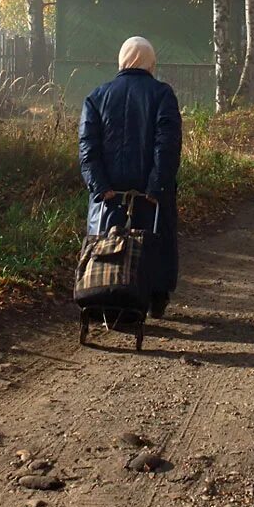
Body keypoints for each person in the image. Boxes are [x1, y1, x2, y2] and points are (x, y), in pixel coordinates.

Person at [78, 36, 182, 319]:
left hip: (109, 195)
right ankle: (156, 298)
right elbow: (167, 145)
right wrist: (157, 185)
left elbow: (88, 147)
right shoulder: (162, 94)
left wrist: (100, 186)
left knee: (106, 243)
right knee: (154, 245)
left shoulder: (97, 96)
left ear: (121, 60)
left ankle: (104, 297)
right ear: (151, 62)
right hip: (148, 194)